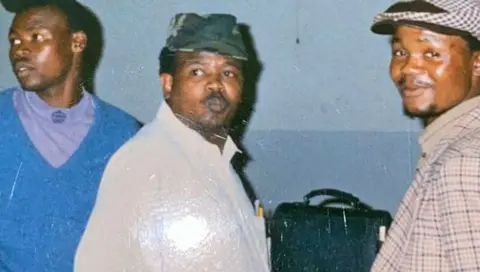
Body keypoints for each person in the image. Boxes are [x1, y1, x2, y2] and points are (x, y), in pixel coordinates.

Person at [75, 13, 270, 272]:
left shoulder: (221, 164)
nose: (215, 84)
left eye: (229, 73)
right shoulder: (145, 162)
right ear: (168, 84)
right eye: (197, 71)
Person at [0, 1, 140, 271]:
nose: (20, 50)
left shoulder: (122, 134)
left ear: (77, 42)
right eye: (14, 40)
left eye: (36, 37)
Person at [370, 0, 480, 271]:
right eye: (400, 52)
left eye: (431, 54)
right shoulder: (450, 145)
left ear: (477, 64)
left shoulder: (463, 161)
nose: (407, 69)